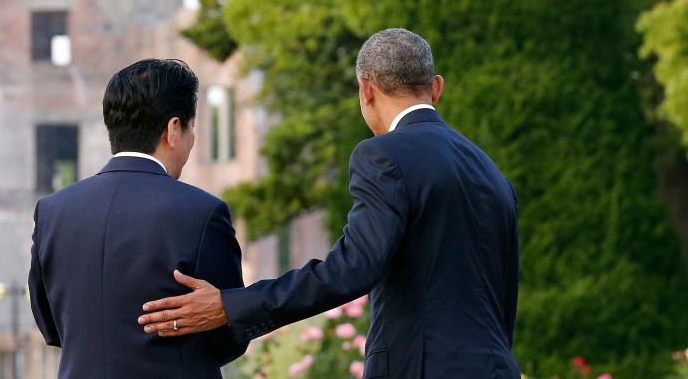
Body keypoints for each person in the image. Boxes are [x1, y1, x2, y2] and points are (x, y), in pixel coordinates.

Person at [137, 29, 520, 379]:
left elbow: (352, 269)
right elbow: (502, 293)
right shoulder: (490, 171)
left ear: (365, 90)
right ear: (435, 88)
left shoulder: (383, 156)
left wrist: (231, 305)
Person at [29, 58, 246, 378]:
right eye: (192, 126)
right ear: (174, 129)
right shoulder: (202, 212)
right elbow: (230, 330)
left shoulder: (52, 211)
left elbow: (50, 324)